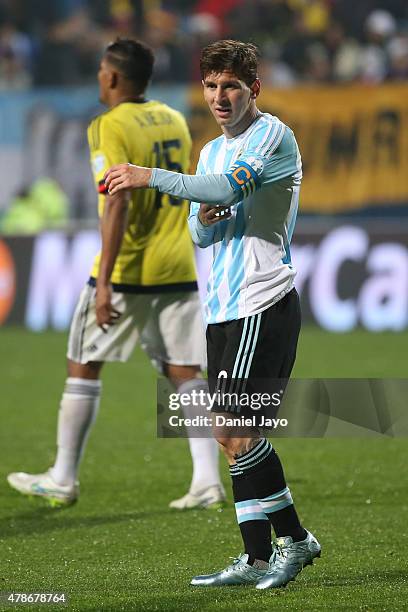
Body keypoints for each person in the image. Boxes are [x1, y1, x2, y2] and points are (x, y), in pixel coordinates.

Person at [103, 39, 321, 590]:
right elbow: (203, 231)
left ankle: (294, 541)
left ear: (254, 90)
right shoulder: (209, 152)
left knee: (232, 427)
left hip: (262, 299)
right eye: (211, 85)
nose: (220, 97)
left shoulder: (271, 135)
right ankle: (254, 557)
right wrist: (204, 214)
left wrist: (150, 175)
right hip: (222, 309)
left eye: (232, 87)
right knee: (232, 437)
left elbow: (226, 190)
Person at [7, 38, 225, 512]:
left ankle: (63, 477)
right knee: (184, 370)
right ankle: (207, 480)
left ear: (112, 77)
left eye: (103, 71)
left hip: (129, 267)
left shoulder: (108, 126)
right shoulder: (172, 118)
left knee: (83, 364)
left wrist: (103, 282)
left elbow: (118, 199)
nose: (99, 78)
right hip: (176, 264)